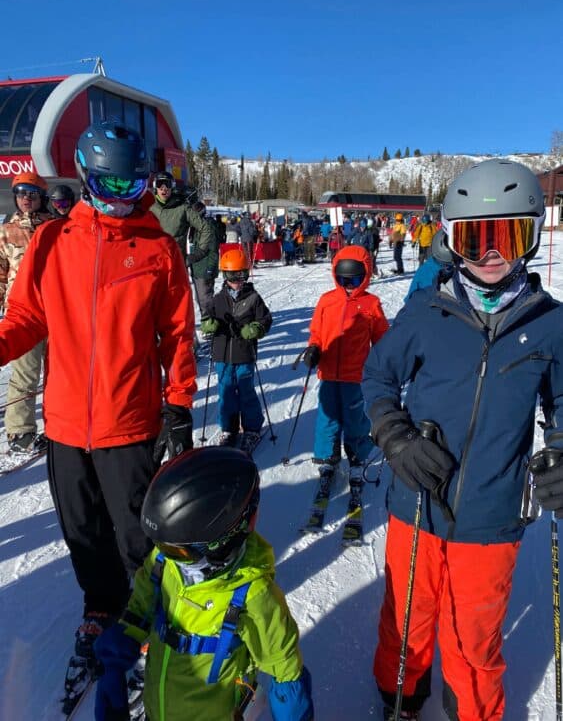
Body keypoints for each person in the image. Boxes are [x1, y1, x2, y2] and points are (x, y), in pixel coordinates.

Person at [0, 123, 197, 702]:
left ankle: (143, 624)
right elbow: (26, 320)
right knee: (82, 532)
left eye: (133, 184)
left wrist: (179, 400)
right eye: (108, 183)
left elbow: (177, 334)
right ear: (85, 177)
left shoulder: (158, 249)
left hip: (129, 421)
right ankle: (99, 608)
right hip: (64, 423)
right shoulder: (53, 241)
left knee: (137, 533)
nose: (122, 196)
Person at [362, 158, 562, 720]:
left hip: (491, 515)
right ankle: (399, 698)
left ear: (532, 235)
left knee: (475, 635)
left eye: (509, 236)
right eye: (479, 239)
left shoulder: (551, 324)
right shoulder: (427, 311)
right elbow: (377, 377)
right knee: (406, 619)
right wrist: (396, 439)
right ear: (454, 241)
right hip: (416, 503)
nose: (494, 256)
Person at [93, 446, 314, 721]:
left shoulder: (253, 596)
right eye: (161, 544)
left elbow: (285, 669)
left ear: (222, 542)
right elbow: (140, 607)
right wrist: (114, 662)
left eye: (179, 551)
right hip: (158, 708)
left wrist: (293, 713)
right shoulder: (165, 561)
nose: (165, 554)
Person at [303, 245, 388, 494]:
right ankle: (327, 457)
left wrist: (386, 361)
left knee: (355, 419)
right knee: (328, 416)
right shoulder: (327, 301)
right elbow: (317, 332)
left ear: (366, 275)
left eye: (356, 279)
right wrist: (314, 349)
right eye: (344, 279)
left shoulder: (371, 304)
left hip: (355, 375)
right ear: (335, 275)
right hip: (328, 373)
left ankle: (356, 454)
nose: (349, 285)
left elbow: (382, 337)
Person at [200, 249, 272, 454]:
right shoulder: (217, 299)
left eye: (242, 275)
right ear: (225, 275)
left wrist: (256, 328)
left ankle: (251, 428)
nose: (238, 281)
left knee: (246, 391)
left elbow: (266, 319)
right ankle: (229, 428)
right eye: (233, 276)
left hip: (244, 353)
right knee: (226, 391)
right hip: (222, 354)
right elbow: (206, 319)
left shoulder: (253, 298)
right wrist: (208, 326)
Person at [0, 172, 52, 453]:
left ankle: (60, 426)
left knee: (59, 372)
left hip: (55, 310)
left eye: (32, 194)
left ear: (41, 197)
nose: (26, 199)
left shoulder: (56, 228)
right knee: (25, 374)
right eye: (21, 194)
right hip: (23, 314)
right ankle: (20, 433)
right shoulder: (6, 231)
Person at [149, 172, 218, 318]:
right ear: (155, 187)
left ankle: (187, 335)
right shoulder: (148, 207)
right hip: (152, 265)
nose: (163, 188)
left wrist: (198, 253)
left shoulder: (182, 208)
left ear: (172, 187)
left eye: (167, 184)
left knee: (178, 302)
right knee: (153, 303)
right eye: (160, 184)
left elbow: (205, 228)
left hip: (176, 265)